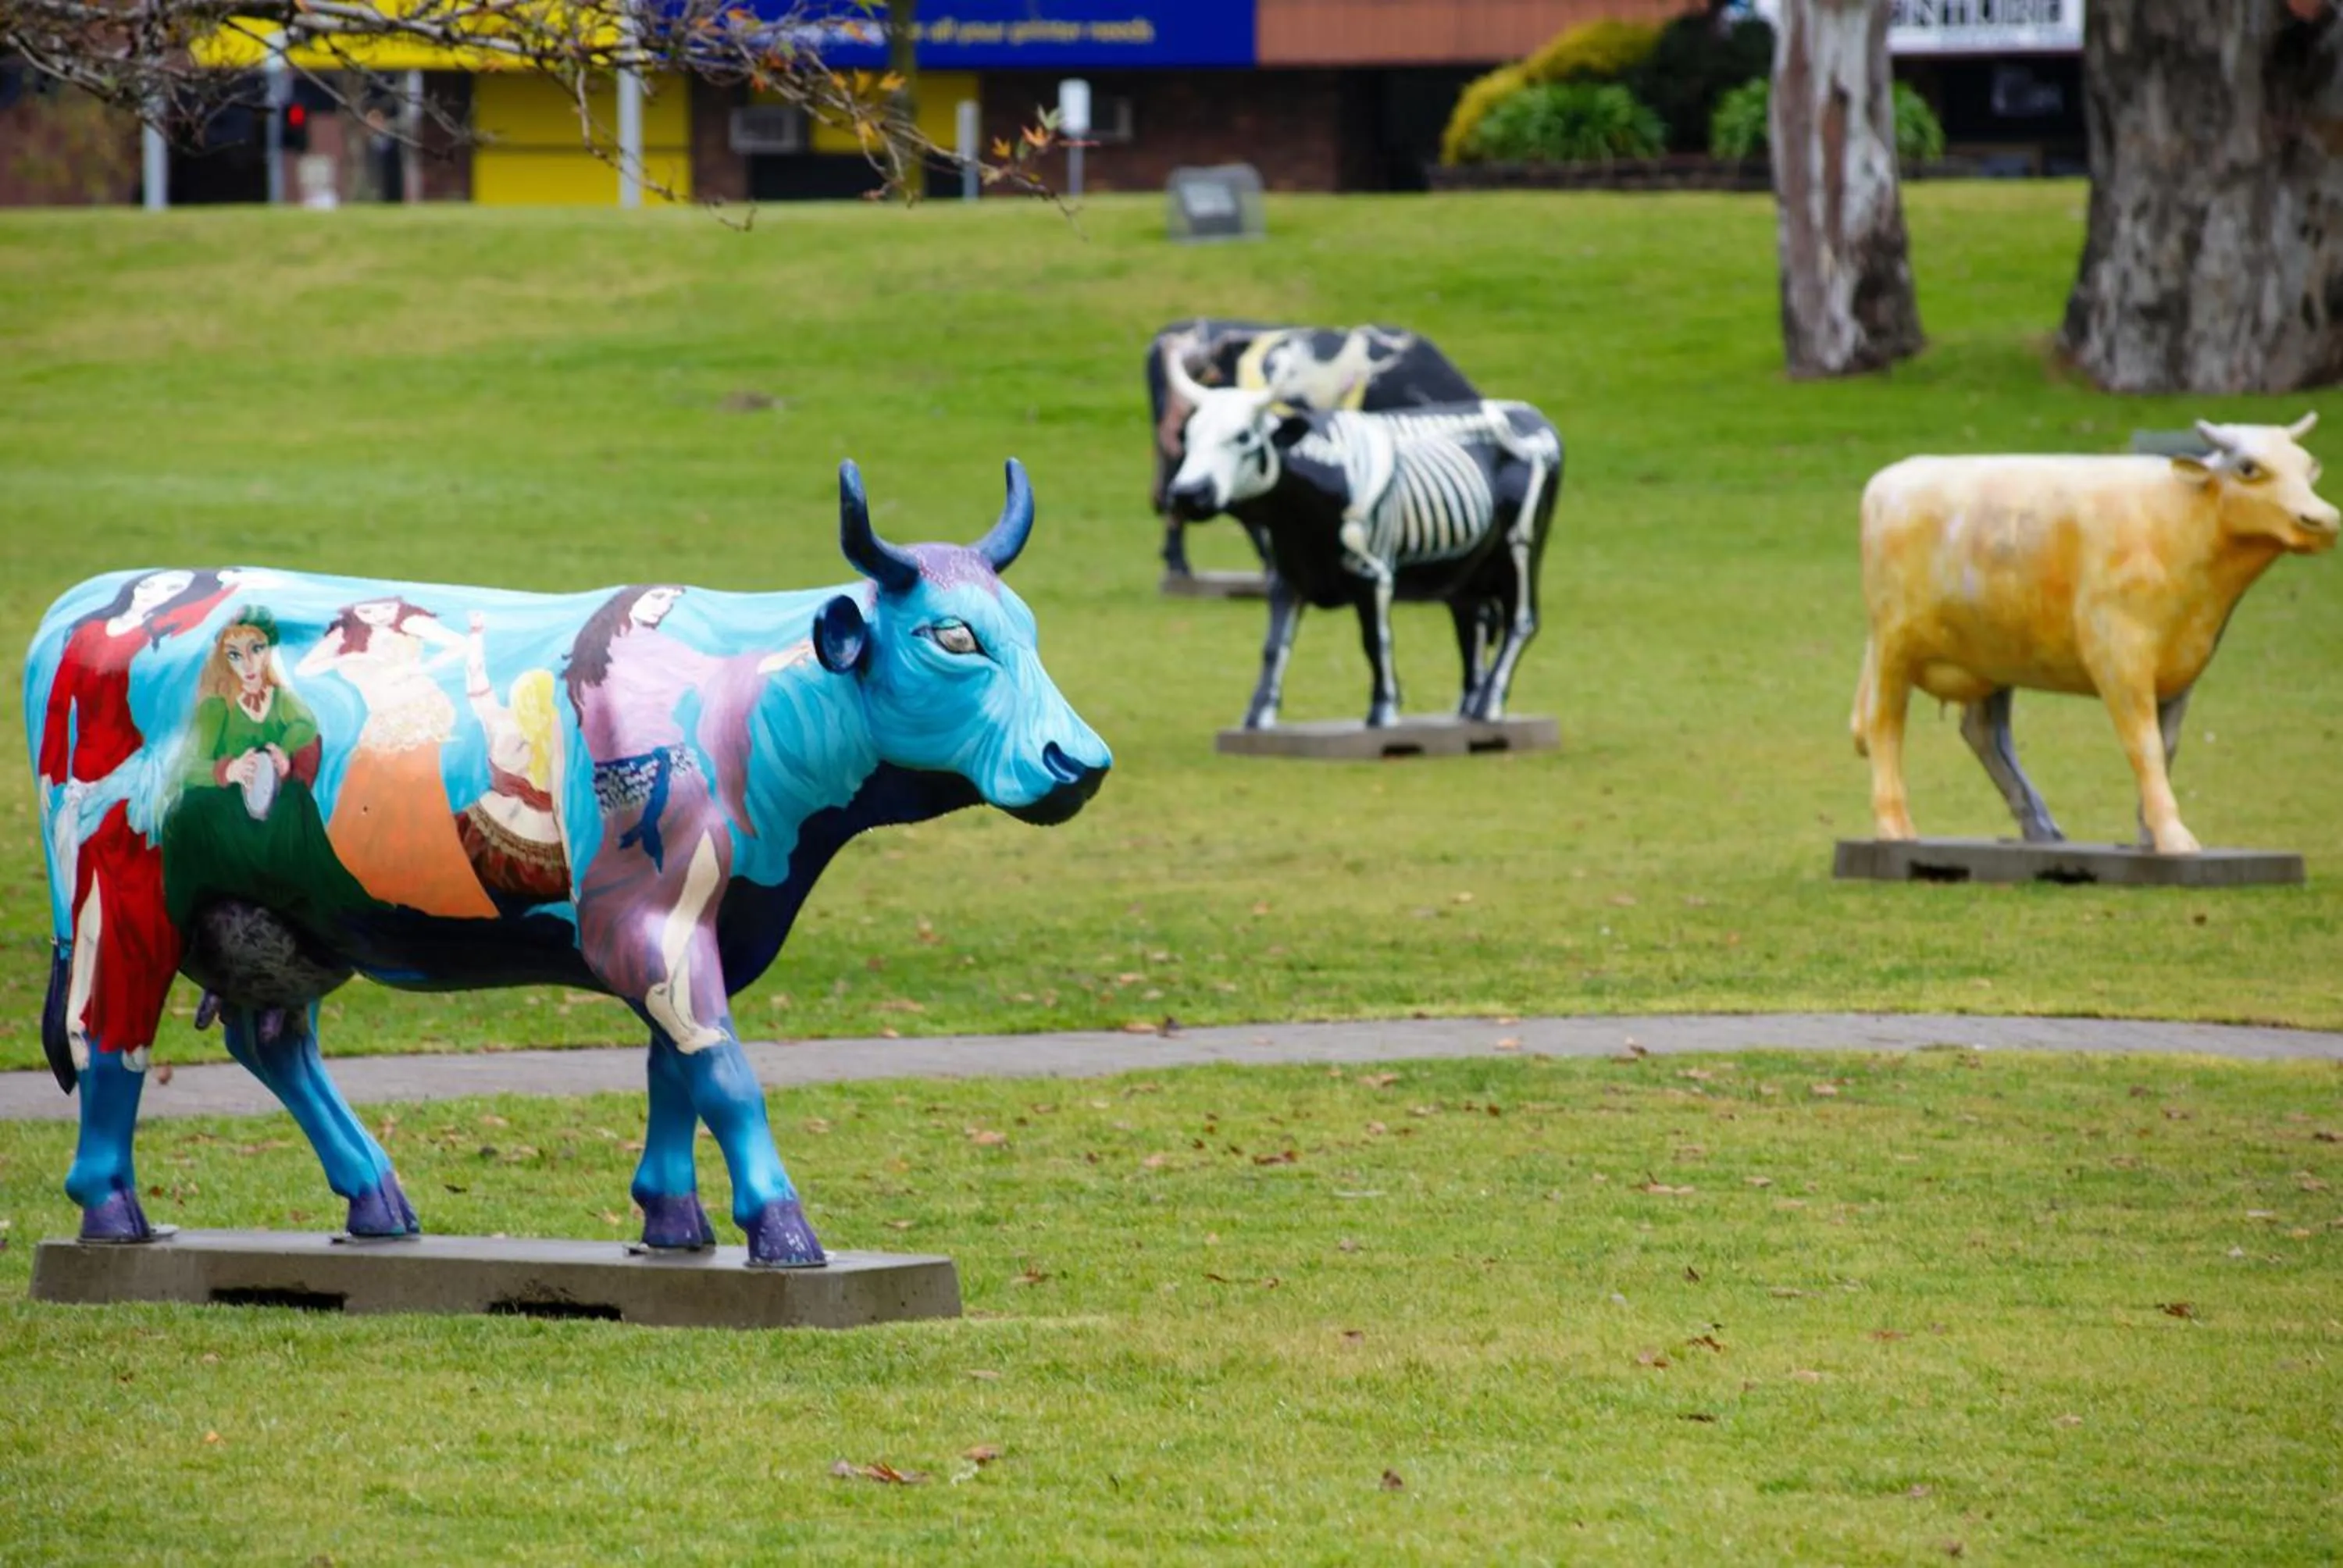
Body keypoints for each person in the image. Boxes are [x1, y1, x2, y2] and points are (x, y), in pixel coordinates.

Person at [39, 568, 236, 1070]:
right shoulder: (89, 640)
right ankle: (83, 1016)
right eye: (155, 589)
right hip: (92, 779)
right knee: (89, 903)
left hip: (136, 777)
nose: (160, 595)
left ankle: (104, 1021)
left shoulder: (167, 643)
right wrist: (53, 775)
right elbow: (61, 706)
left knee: (128, 899)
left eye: (170, 592)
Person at [161, 608, 370, 938]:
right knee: (194, 815)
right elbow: (187, 767)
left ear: (269, 652)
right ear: (224, 660)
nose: (248, 664)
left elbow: (306, 727)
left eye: (256, 650)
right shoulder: (218, 708)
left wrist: (284, 752)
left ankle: (304, 916)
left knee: (296, 804)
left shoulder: (281, 699)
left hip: (271, 804)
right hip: (228, 808)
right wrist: (228, 769)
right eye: (235, 655)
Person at [298, 597, 500, 919]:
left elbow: (458, 644)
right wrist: (347, 657)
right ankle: (361, 882)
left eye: (384, 608)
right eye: (367, 610)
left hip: (418, 711)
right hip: (381, 719)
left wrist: (415, 669)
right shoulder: (347, 636)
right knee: (363, 793)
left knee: (410, 793)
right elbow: (305, 668)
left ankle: (422, 886)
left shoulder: (408, 624)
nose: (377, 615)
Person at [455, 610, 571, 910]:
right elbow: (559, 804)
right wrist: (572, 869)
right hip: (540, 855)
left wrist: (476, 633)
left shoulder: (499, 722)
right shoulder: (557, 736)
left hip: (480, 835)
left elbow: (475, 676)